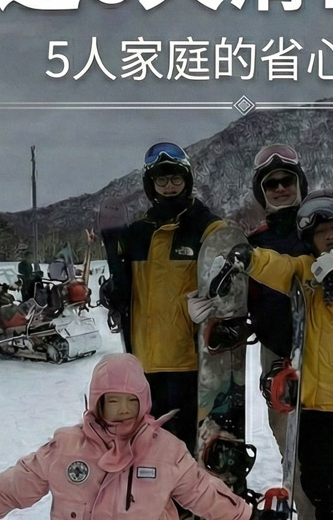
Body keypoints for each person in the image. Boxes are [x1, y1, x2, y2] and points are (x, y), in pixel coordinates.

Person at [204, 189, 333, 520]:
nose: (329, 237)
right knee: (316, 485)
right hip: (310, 403)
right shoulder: (308, 269)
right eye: (321, 233)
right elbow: (280, 266)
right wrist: (250, 258)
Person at [0, 353, 259, 520]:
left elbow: (203, 493)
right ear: (98, 402)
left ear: (144, 402)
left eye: (131, 401)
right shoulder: (66, 447)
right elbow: (18, 483)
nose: (123, 409)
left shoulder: (166, 451)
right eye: (112, 401)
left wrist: (248, 516)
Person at [102, 142, 223, 457]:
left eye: (176, 178)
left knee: (182, 446)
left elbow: (228, 279)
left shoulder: (206, 227)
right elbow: (125, 287)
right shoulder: (135, 234)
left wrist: (211, 303)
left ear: (187, 180)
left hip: (187, 359)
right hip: (143, 359)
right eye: (161, 180)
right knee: (149, 447)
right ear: (151, 185)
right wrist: (112, 293)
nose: (169, 186)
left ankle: (187, 488)